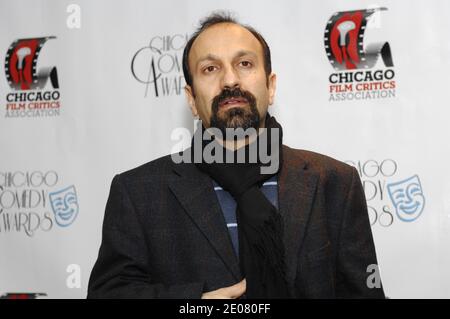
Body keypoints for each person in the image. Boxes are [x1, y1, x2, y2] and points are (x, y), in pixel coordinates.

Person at [87, 12, 385, 299]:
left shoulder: (334, 183)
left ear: (271, 86)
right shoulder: (138, 192)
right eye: (210, 68)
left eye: (244, 63)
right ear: (191, 99)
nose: (230, 80)